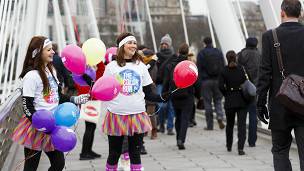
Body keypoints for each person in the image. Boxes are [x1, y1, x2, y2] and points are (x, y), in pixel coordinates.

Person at [11, 36, 89, 171]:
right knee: (31, 167)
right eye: (49, 49)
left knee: (58, 164)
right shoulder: (31, 76)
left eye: (52, 49)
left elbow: (57, 96)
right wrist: (40, 123)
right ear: (38, 52)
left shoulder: (51, 70)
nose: (53, 52)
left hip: (53, 126)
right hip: (36, 127)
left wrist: (74, 99)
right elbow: (27, 104)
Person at [102, 32, 169, 171]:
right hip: (116, 115)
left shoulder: (141, 66)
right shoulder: (111, 67)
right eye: (130, 43)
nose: (133, 45)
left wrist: (163, 96)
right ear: (121, 46)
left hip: (137, 115)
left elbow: (149, 93)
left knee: (135, 154)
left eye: (134, 43)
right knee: (114, 154)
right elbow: (104, 90)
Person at [257, 0, 304, 170]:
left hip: (280, 103)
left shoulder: (270, 37)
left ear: (282, 12)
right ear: (300, 13)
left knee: (280, 150)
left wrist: (260, 103)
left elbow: (264, 74)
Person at [162, 43, 196, 150]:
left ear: (178, 51)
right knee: (185, 118)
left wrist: (164, 93)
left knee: (178, 117)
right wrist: (199, 95)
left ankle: (178, 138)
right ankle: (181, 139)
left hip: (175, 94)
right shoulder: (190, 65)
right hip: (188, 94)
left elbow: (166, 81)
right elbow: (196, 80)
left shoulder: (171, 65)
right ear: (187, 52)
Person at [219, 51, 248, 155]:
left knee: (230, 125)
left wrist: (226, 93)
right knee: (242, 125)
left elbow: (221, 86)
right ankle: (240, 148)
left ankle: (229, 145)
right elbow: (248, 82)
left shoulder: (223, 70)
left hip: (230, 100)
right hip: (241, 100)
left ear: (227, 58)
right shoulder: (242, 69)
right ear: (236, 58)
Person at [76, 61, 105, 160]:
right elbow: (101, 69)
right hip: (90, 100)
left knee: (91, 127)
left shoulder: (80, 74)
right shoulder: (84, 75)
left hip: (89, 100)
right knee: (90, 127)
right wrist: (98, 59)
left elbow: (101, 70)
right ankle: (84, 152)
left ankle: (88, 150)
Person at [197, 37, 225, 130]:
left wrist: (199, 84)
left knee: (207, 102)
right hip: (217, 80)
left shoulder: (201, 53)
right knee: (218, 101)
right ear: (212, 42)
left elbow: (199, 69)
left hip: (206, 81)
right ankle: (220, 117)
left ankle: (210, 125)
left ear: (204, 43)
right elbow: (222, 65)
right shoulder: (218, 52)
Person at [237, 37, 260, 147]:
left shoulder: (241, 54)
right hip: (255, 89)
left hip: (243, 89)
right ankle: (252, 140)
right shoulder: (260, 55)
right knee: (253, 115)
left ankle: (241, 139)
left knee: (242, 115)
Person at [156, 34, 176, 135]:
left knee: (171, 107)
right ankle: (161, 124)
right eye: (162, 43)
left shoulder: (174, 56)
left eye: (166, 43)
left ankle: (170, 128)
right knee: (162, 106)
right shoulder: (157, 56)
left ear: (169, 45)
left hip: (171, 84)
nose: (164, 45)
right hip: (160, 84)